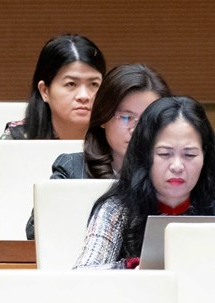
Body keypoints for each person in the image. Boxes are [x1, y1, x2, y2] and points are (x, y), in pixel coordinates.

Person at [25, 63, 172, 239]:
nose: (137, 129)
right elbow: (36, 232)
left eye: (148, 119)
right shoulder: (72, 169)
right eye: (126, 117)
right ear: (103, 117)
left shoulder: (178, 171)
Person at [73, 96, 215, 269]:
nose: (177, 166)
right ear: (145, 155)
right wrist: (134, 269)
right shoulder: (117, 208)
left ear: (205, 156)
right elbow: (83, 275)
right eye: (164, 154)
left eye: (190, 155)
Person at [0, 34, 107, 199]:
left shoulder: (114, 134)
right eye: (71, 84)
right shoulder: (21, 135)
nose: (84, 95)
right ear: (45, 91)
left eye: (94, 84)